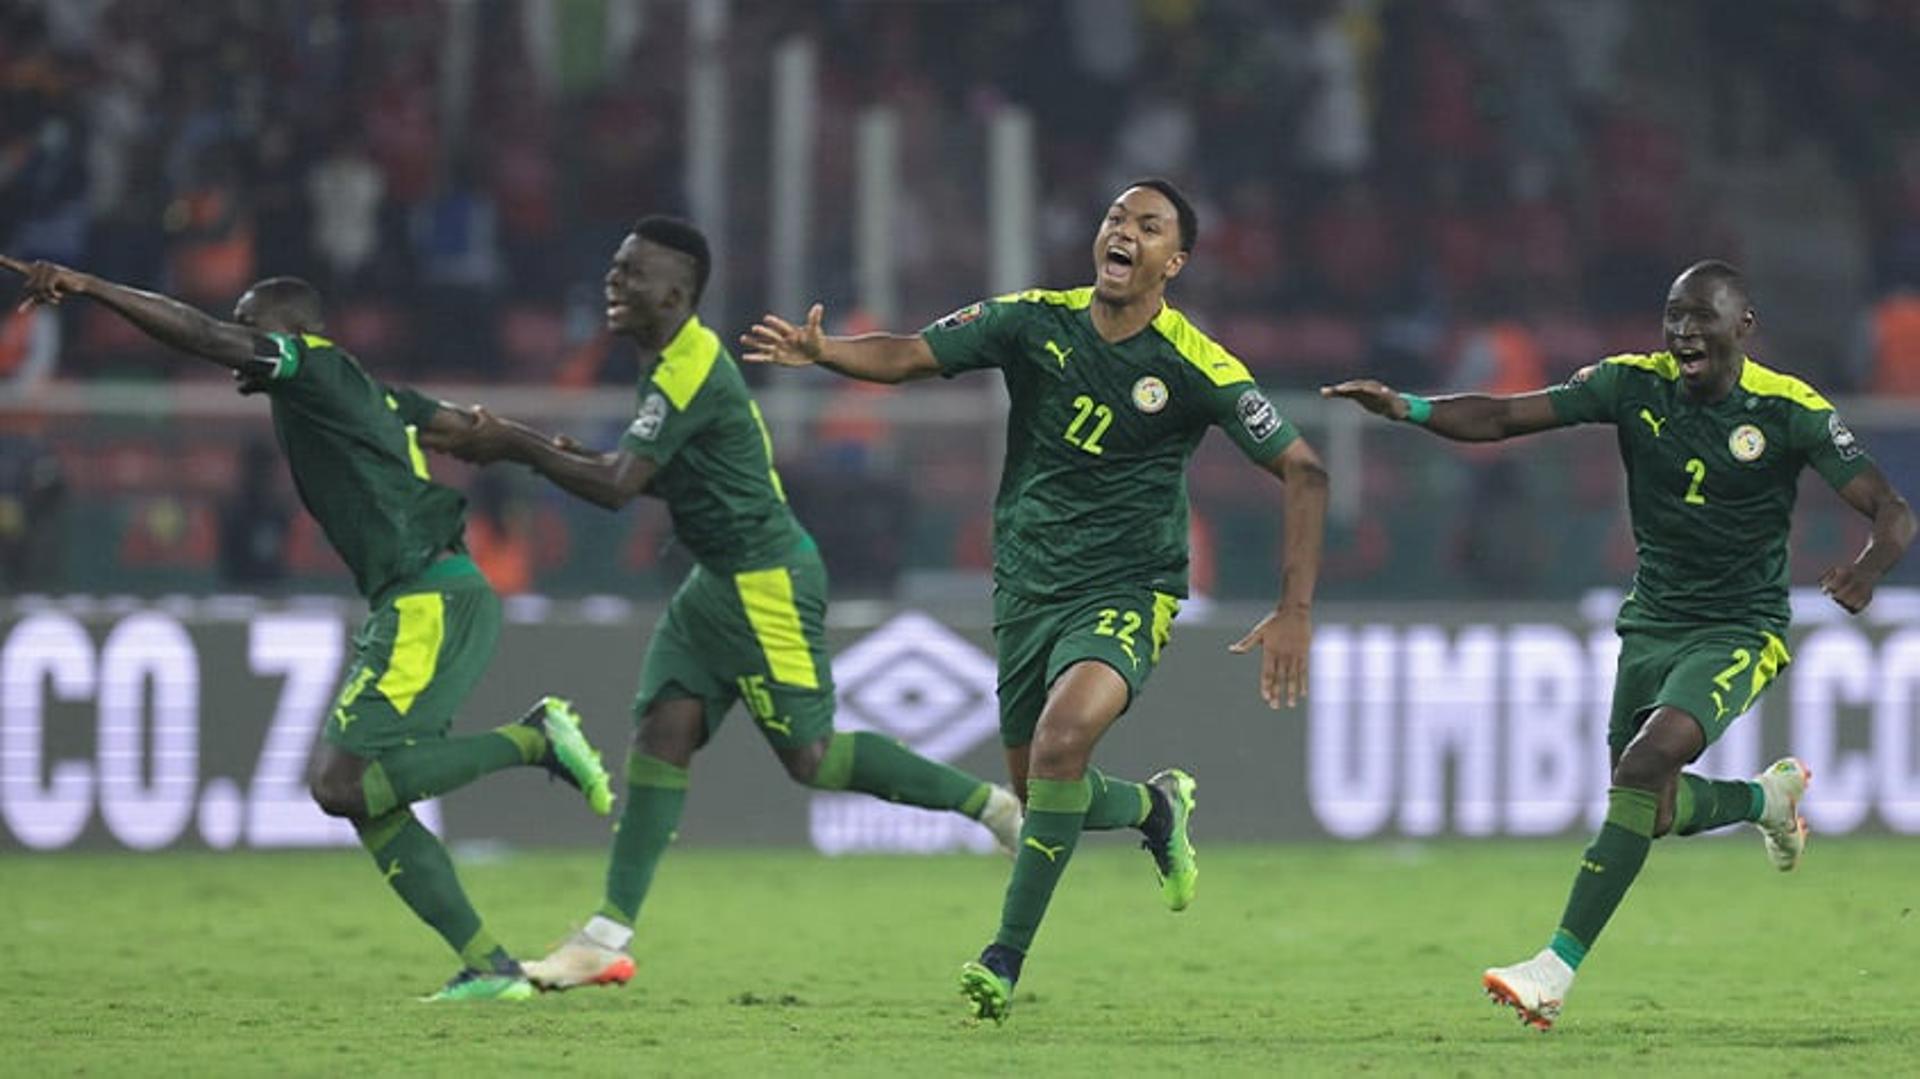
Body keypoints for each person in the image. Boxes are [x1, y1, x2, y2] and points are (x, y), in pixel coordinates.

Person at [742, 179, 1330, 1023]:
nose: (1124, 230)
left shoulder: (1198, 366)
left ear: (1176, 260)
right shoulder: (1032, 319)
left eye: (1149, 225)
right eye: (1116, 218)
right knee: (1042, 785)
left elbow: (1305, 468)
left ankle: (1002, 960)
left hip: (1127, 585)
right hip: (1026, 586)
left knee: (1062, 741)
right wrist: (825, 352)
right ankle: (1153, 805)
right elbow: (912, 354)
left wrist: (1296, 608)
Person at [423, 215, 1025, 992]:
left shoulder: (688, 368)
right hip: (715, 580)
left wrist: (511, 441)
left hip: (764, 578)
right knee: (663, 728)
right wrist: (535, 446)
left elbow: (615, 488)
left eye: (632, 272)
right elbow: (621, 465)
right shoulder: (666, 363)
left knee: (815, 758)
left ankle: (994, 808)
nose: (615, 282)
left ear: (675, 293)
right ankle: (606, 935)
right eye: (614, 267)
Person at [0, 255, 616, 1003]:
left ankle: (534, 738)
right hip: (429, 595)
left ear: (290, 330)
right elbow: (476, 430)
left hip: (427, 599)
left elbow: (199, 335)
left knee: (336, 782)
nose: (240, 337)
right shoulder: (373, 396)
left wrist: (92, 287)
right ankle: (489, 964)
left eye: (250, 322)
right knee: (364, 799)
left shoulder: (311, 369)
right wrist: (550, 453)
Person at [1323, 259, 1916, 1030]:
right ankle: (1766, 799)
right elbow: (1503, 418)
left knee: (1643, 763)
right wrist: (1406, 406)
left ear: (1744, 326)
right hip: (1652, 623)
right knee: (1651, 806)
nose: (1682, 331)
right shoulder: (1632, 384)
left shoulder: (1789, 409)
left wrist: (1871, 568)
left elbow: (1891, 507)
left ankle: (1553, 969)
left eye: (1701, 315)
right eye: (1672, 315)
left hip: (1740, 627)